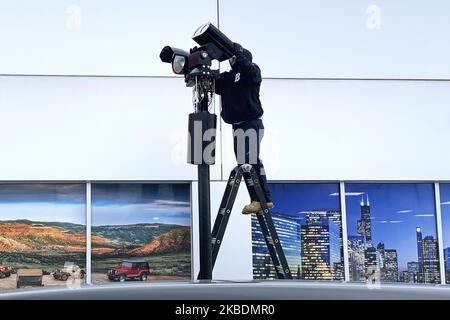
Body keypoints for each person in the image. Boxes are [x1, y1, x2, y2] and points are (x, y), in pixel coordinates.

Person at [215, 42, 273, 214]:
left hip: (251, 123)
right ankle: (258, 199)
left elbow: (248, 70)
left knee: (251, 160)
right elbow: (214, 83)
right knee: (244, 164)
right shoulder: (228, 78)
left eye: (234, 57)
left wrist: (237, 52)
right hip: (237, 126)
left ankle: (263, 199)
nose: (232, 59)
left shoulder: (252, 71)